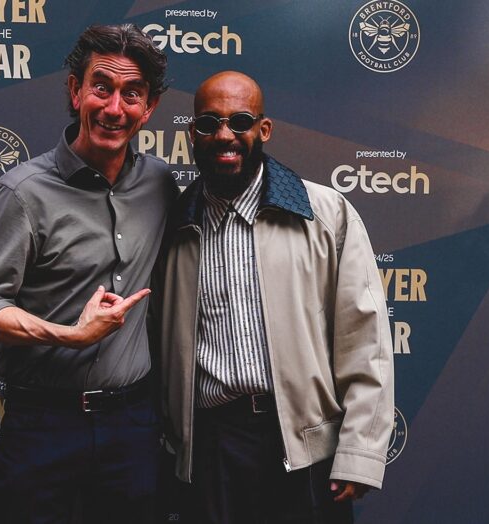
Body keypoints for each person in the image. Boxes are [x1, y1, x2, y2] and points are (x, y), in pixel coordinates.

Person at [0, 24, 177, 523]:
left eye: (132, 94)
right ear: (76, 90)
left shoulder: (160, 181)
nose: (114, 108)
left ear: (149, 108)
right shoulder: (23, 192)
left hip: (132, 423)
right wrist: (70, 335)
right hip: (43, 424)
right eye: (102, 87)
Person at [157, 71, 394, 523]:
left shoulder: (325, 213)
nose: (224, 135)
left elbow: (366, 339)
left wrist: (359, 452)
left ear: (263, 130)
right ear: (192, 133)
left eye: (240, 121)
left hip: (306, 449)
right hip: (211, 449)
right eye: (208, 123)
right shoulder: (174, 225)